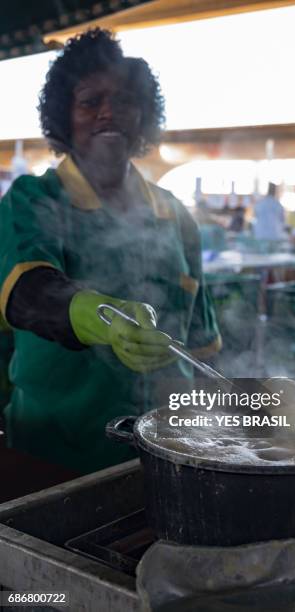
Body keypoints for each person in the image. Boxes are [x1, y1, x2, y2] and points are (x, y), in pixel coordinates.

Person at [0, 29, 221, 474]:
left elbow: (203, 345)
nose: (108, 113)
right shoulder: (32, 199)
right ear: (64, 116)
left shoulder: (175, 214)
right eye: (89, 101)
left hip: (164, 458)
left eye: (123, 101)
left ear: (143, 115)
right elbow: (27, 291)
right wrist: (107, 320)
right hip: (51, 453)